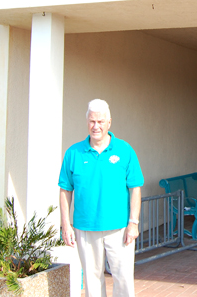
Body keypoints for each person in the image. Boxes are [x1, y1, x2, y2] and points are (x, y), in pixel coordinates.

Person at [59, 99, 144, 297]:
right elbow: (65, 190)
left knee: (123, 280)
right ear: (87, 122)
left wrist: (133, 223)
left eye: (100, 121)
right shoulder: (73, 153)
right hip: (85, 227)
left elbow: (135, 189)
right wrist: (65, 224)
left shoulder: (124, 150)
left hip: (119, 227)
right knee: (92, 280)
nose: (96, 126)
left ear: (109, 122)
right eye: (92, 121)